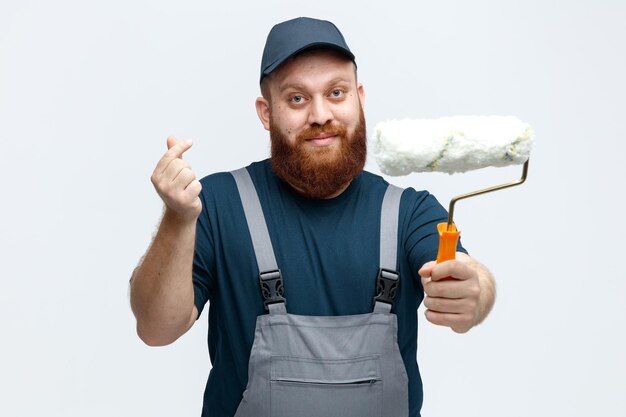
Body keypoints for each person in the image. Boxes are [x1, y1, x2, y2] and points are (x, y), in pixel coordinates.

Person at [129, 17, 495, 417]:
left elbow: (467, 275)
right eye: (298, 99)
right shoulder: (217, 203)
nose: (320, 114)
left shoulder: (409, 212)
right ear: (266, 113)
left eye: (336, 93)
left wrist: (473, 290)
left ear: (359, 97)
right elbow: (156, 328)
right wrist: (177, 219)